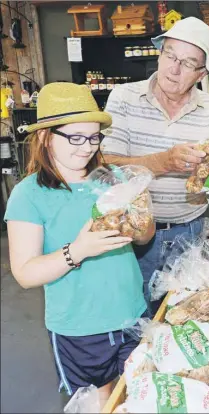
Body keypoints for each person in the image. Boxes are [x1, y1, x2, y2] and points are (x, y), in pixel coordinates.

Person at [4, 83, 155, 407]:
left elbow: (145, 234)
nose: (87, 147)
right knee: (99, 403)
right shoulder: (29, 195)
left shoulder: (112, 177)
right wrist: (79, 250)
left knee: (140, 396)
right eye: (75, 137)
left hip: (133, 313)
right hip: (81, 329)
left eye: (93, 136)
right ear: (46, 136)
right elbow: (26, 273)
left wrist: (142, 220)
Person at [102, 17, 209, 315]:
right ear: (160, 53)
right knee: (131, 316)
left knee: (182, 314)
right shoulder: (124, 98)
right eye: (170, 56)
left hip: (189, 233)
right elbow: (106, 167)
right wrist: (163, 162)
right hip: (132, 236)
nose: (174, 69)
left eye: (188, 63)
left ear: (201, 73)